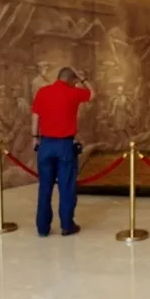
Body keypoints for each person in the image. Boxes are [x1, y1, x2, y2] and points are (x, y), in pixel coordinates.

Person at [31, 67, 95, 237]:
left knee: (44, 187)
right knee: (66, 187)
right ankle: (67, 225)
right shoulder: (73, 93)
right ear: (72, 80)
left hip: (45, 144)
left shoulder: (43, 92)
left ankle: (43, 228)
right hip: (65, 146)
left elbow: (35, 116)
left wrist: (34, 137)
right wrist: (82, 79)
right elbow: (92, 93)